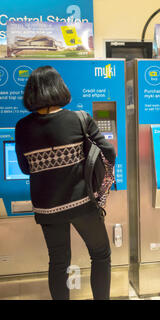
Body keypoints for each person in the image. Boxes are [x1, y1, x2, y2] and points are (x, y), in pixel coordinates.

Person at [15, 66, 116, 300]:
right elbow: (108, 152)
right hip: (82, 203)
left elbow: (24, 168)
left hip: (47, 208)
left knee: (58, 262)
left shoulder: (22, 127)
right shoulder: (79, 119)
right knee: (100, 254)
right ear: (59, 88)